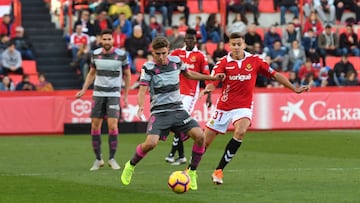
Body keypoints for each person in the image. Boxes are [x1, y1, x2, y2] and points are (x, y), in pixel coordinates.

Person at [200, 32, 309, 185]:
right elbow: (213, 81)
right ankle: (190, 170)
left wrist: (294, 88)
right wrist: (209, 89)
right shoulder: (223, 63)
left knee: (241, 131)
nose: (236, 47)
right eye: (233, 44)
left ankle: (219, 171)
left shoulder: (255, 60)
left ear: (244, 44)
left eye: (239, 44)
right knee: (204, 143)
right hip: (224, 107)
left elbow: (275, 75)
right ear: (229, 46)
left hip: (243, 106)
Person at [120, 36, 224, 190]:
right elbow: (142, 90)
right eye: (158, 54)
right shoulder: (148, 68)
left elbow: (190, 74)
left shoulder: (176, 62)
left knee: (200, 136)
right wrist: (141, 106)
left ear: (168, 51)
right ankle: (130, 165)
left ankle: (192, 172)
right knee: (150, 143)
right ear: (152, 53)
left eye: (164, 53)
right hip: (160, 112)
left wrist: (211, 78)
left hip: (177, 109)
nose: (161, 57)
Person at [75, 29, 131, 171]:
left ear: (113, 40)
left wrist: (125, 95)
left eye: (109, 39)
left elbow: (128, 75)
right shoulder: (95, 54)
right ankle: (98, 159)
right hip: (98, 94)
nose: (106, 42)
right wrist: (83, 89)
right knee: (95, 126)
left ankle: (112, 158)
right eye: (104, 39)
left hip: (114, 94)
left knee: (113, 126)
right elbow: (92, 73)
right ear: (101, 40)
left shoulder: (121, 55)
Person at [164, 29, 212, 165]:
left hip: (191, 94)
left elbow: (207, 76)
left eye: (192, 39)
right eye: (188, 39)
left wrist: (209, 95)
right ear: (185, 40)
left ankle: (173, 153)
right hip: (177, 92)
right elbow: (165, 63)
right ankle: (182, 156)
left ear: (195, 41)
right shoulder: (177, 53)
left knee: (179, 120)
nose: (190, 41)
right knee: (177, 124)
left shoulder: (200, 56)